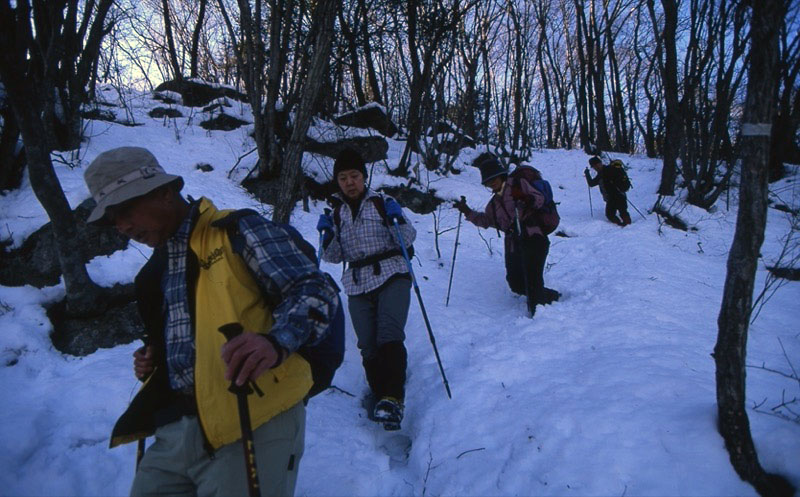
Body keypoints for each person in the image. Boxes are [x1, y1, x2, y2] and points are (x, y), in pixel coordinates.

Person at [83, 146, 339, 497]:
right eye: (112, 219)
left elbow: (313, 288)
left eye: (124, 209)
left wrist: (274, 342)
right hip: (176, 427)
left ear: (164, 191)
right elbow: (191, 333)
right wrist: (156, 359)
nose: (122, 226)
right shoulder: (154, 272)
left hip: (252, 418)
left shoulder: (238, 230)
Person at [317, 149, 416, 431]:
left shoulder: (383, 203)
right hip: (358, 282)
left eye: (355, 176)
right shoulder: (336, 214)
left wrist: (394, 218)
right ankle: (379, 393)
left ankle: (393, 398)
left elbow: (408, 237)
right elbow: (334, 256)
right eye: (343, 177)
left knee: (389, 334)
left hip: (392, 273)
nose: (349, 182)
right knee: (367, 344)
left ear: (364, 177)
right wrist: (327, 237)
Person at [454, 152, 559, 316]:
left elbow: (539, 199)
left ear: (501, 175)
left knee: (533, 277)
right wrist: (467, 211)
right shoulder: (493, 205)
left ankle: (538, 316)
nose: (491, 183)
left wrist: (526, 199)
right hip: (514, 243)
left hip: (534, 237)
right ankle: (549, 296)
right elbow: (486, 221)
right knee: (515, 283)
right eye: (488, 181)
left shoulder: (519, 184)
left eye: (494, 178)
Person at [584, 156, 631, 226]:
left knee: (611, 214)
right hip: (620, 195)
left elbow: (591, 183)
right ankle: (626, 226)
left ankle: (623, 226)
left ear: (599, 164)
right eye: (594, 167)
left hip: (614, 196)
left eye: (595, 166)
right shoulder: (607, 170)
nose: (595, 168)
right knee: (621, 212)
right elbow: (592, 183)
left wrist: (587, 174)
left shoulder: (603, 172)